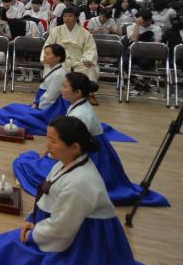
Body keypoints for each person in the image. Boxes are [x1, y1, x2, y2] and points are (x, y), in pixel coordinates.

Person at [0, 117, 182, 265]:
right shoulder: (67, 163)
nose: (47, 145)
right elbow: (50, 199)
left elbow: (62, 229)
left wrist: (34, 235)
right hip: (62, 229)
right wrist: (32, 219)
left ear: (75, 147)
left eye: (53, 141)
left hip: (85, 245)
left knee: (5, 261)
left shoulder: (81, 183)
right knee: (1, 250)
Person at [12, 75, 167, 207]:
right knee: (29, 162)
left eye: (65, 86)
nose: (61, 89)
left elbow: (73, 147)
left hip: (92, 157)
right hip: (89, 150)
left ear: (78, 92)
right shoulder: (78, 105)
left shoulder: (81, 114)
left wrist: (51, 154)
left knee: (28, 166)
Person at [0, 44, 68, 135]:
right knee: (12, 107)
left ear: (58, 58)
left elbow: (50, 97)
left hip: (49, 110)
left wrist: (37, 108)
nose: (44, 56)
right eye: (44, 54)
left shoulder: (59, 74)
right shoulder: (52, 69)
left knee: (12, 111)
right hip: (42, 104)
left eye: (48, 54)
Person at [42, 6, 99, 102]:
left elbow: (90, 49)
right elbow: (48, 45)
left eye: (70, 16)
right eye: (65, 16)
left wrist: (88, 59)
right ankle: (51, 93)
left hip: (78, 60)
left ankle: (88, 93)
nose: (67, 18)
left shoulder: (85, 33)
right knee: (49, 66)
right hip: (60, 60)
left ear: (76, 17)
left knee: (89, 68)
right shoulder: (56, 30)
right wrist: (48, 58)